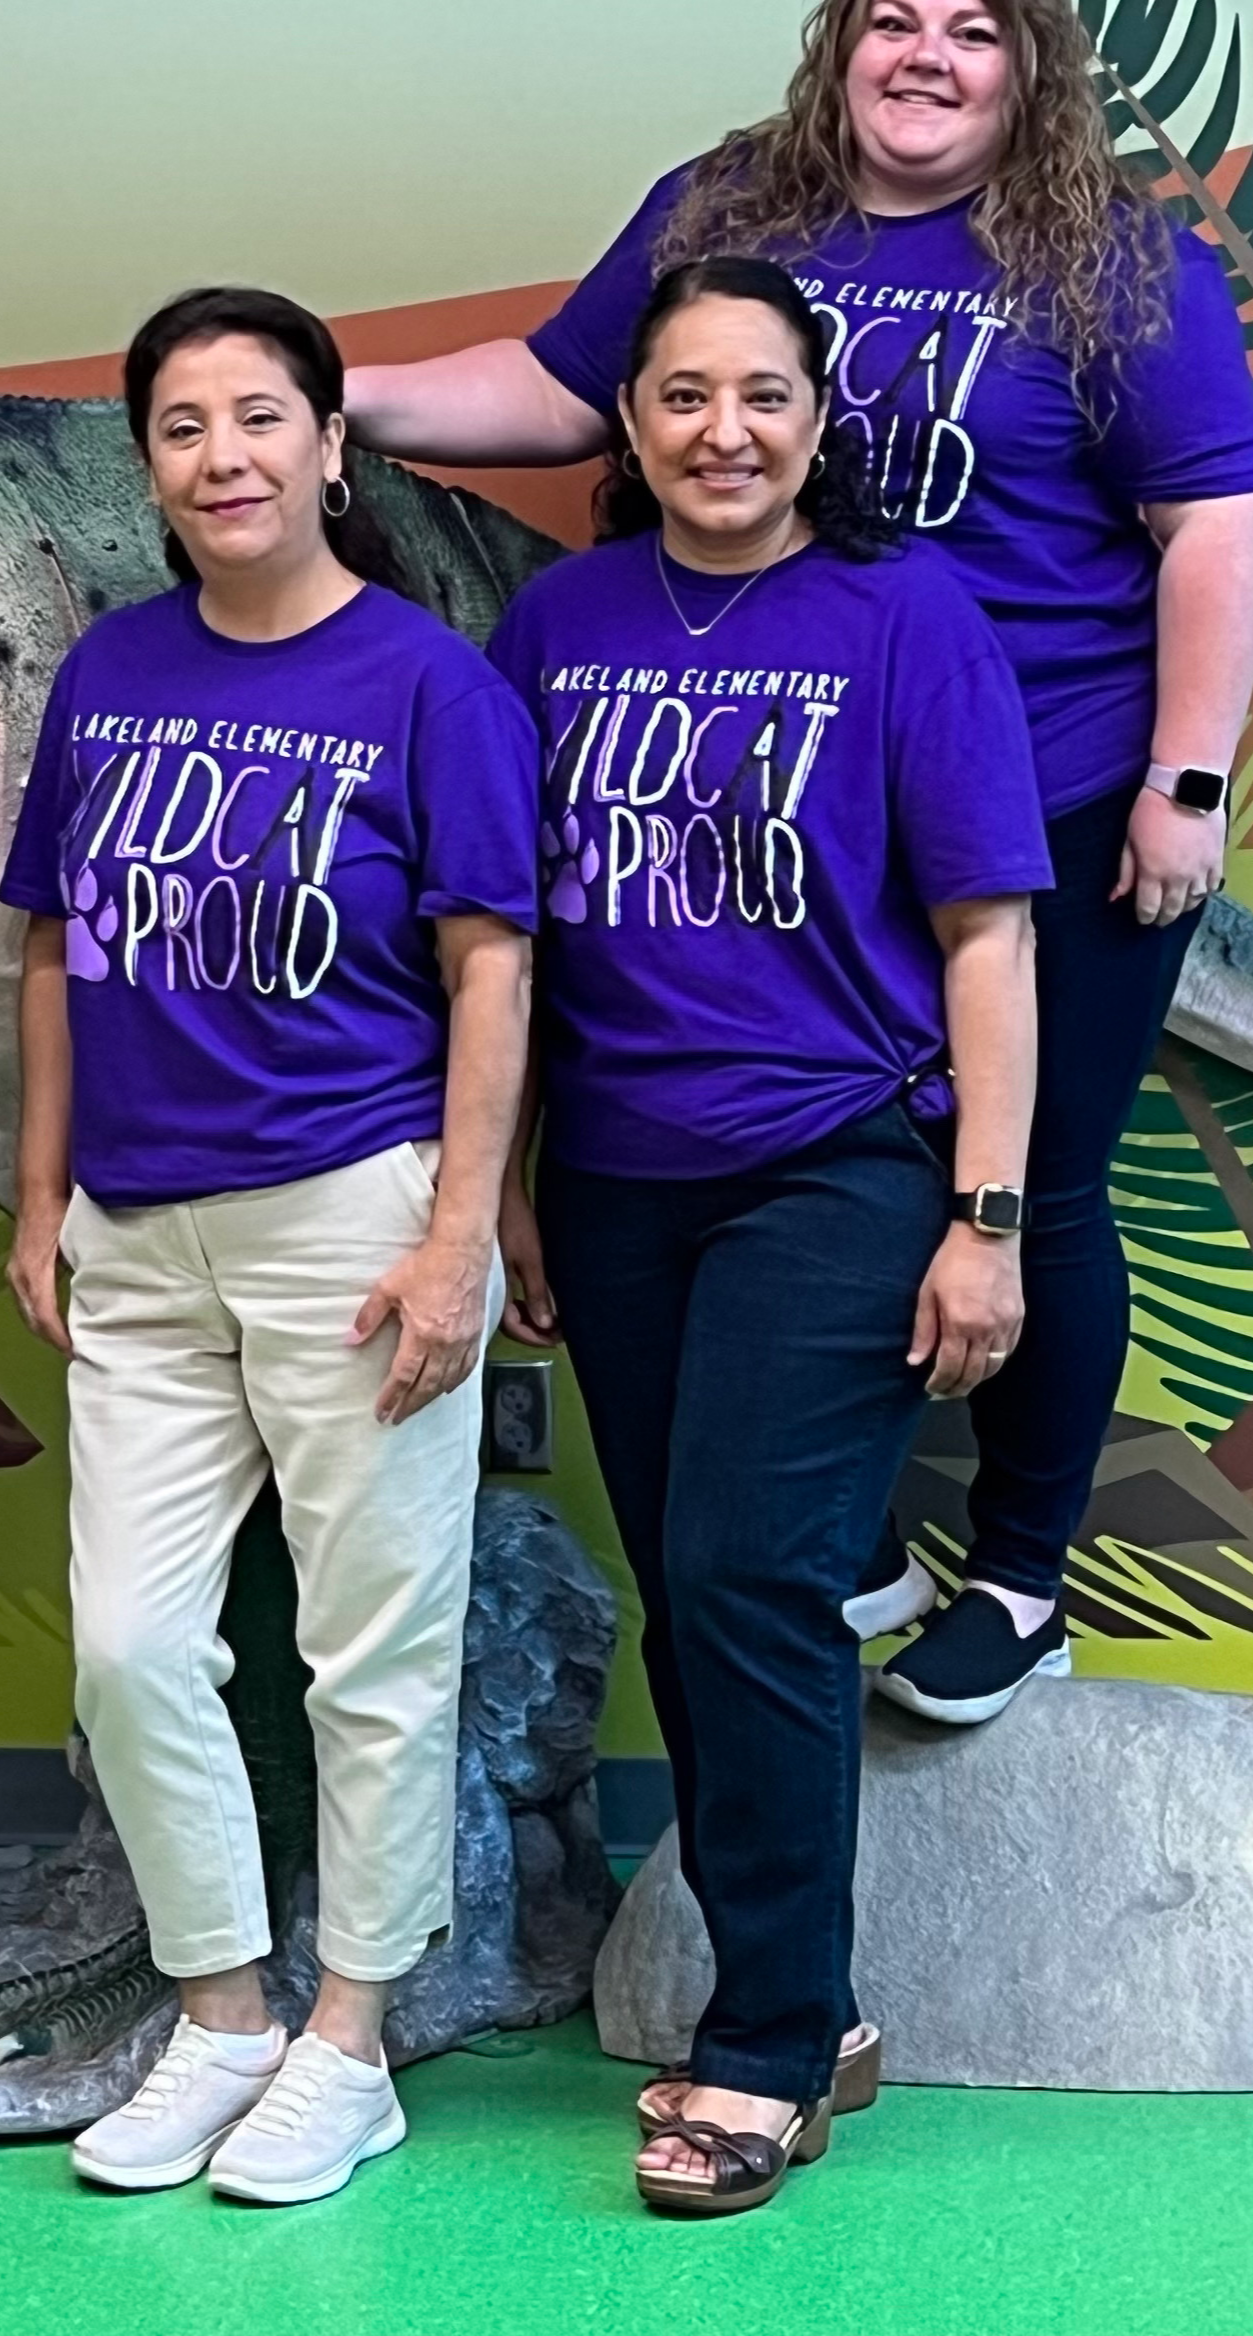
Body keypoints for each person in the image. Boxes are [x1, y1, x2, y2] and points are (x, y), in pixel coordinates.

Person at [350, 0, 1253, 1721]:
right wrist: (332, 401)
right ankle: (837, 1546)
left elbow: (1216, 518)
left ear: (1032, 69)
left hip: (1053, 788)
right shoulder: (729, 211)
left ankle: (1019, 1573)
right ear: (839, 37)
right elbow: (555, 392)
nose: (928, 57)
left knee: (1034, 1187)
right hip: (761, 793)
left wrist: (1186, 778)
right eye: (896, 20)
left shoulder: (1109, 257)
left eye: (976, 32)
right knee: (807, 1170)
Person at [487, 259, 1046, 2214]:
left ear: (819, 420)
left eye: (764, 395)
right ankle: (811, 2005)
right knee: (683, 1589)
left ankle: (774, 2042)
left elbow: (988, 937)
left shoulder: (908, 618)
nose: (725, 431)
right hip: (624, 1186)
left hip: (837, 1166)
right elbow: (518, 941)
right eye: (682, 395)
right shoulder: (555, 622)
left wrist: (984, 1218)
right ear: (628, 425)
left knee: (746, 1574)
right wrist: (522, 1181)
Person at [2, 289, 539, 2208]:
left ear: (331, 446)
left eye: (258, 417)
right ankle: (222, 2012)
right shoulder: (111, 674)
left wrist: (462, 1233)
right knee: (134, 1645)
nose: (222, 456)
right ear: (148, 463)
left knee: (370, 1658)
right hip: (138, 1232)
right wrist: (39, 1191)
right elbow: (57, 943)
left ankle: (351, 2048)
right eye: (180, 425)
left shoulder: (429, 685)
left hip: (352, 1219)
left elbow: (494, 972)